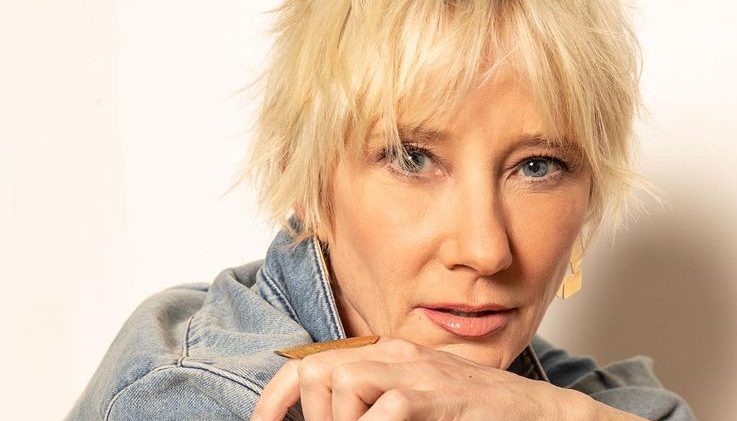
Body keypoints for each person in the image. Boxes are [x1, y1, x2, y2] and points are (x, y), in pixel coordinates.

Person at [67, 1, 696, 420]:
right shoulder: (205, 397)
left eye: (538, 166)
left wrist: (555, 413)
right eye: (413, 158)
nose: (485, 250)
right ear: (306, 177)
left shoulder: (579, 399)